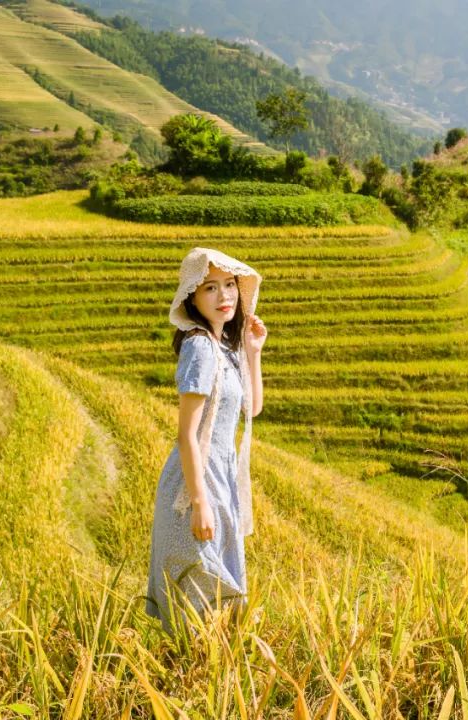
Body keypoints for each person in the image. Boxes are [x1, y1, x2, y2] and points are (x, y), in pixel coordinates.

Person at [145, 247, 266, 635]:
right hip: (194, 484)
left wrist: (253, 352)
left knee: (213, 605)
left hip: (220, 477)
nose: (225, 296)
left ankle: (203, 676)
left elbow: (253, 407)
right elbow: (187, 434)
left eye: (229, 285)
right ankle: (187, 678)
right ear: (192, 299)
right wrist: (200, 502)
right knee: (196, 591)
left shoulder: (224, 348)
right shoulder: (198, 346)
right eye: (210, 288)